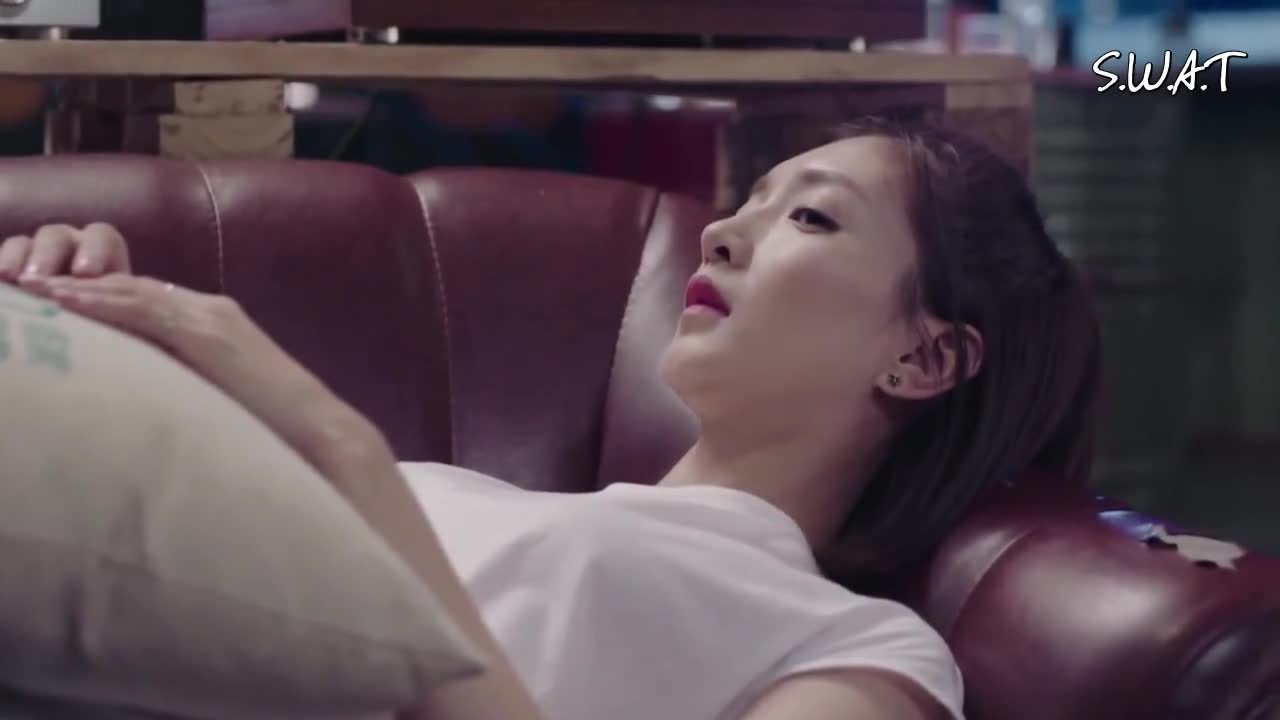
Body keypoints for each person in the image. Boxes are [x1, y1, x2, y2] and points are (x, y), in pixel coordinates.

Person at [0, 117, 1100, 720]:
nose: (721, 233)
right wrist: (94, 351)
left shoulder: (860, 646)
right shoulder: (473, 498)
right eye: (747, 202)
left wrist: (334, 445)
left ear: (924, 356)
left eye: (809, 217)